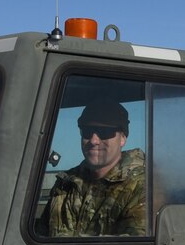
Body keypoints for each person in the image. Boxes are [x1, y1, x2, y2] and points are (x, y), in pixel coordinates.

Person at [37, 99, 147, 236]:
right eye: (87, 131)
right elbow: (40, 237)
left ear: (123, 138)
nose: (94, 141)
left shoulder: (143, 187)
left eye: (104, 132)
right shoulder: (65, 185)